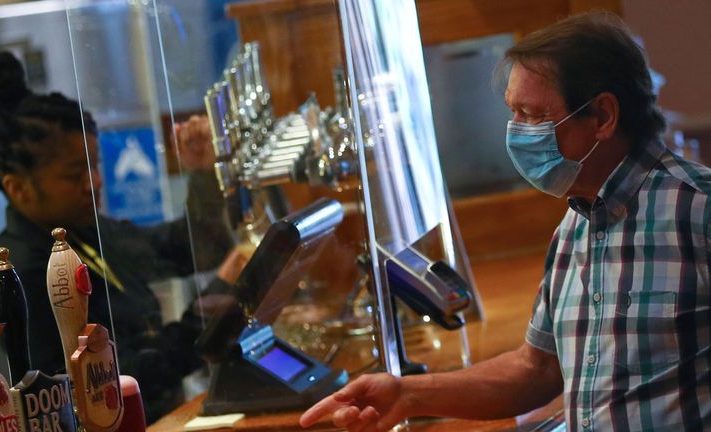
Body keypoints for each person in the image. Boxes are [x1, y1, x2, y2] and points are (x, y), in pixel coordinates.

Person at [301, 12, 711, 431]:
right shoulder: (576, 227)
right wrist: (406, 395)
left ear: (603, 116)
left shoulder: (699, 210)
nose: (517, 133)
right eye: (513, 114)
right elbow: (536, 368)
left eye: (532, 115)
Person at [0, 51, 243, 423]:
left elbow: (187, 250)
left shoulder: (86, 231)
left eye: (94, 165)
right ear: (19, 189)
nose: (94, 182)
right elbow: (97, 389)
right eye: (73, 174)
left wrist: (204, 175)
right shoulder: (24, 272)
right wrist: (218, 302)